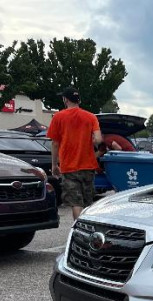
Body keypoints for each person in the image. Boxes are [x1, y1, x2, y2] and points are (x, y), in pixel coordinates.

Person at [46, 87, 102, 220]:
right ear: (79, 100)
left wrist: (54, 165)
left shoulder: (58, 117)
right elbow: (98, 139)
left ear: (65, 99)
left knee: (76, 203)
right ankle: (89, 231)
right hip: (88, 166)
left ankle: (78, 232)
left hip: (69, 167)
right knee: (87, 203)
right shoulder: (91, 117)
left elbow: (55, 143)